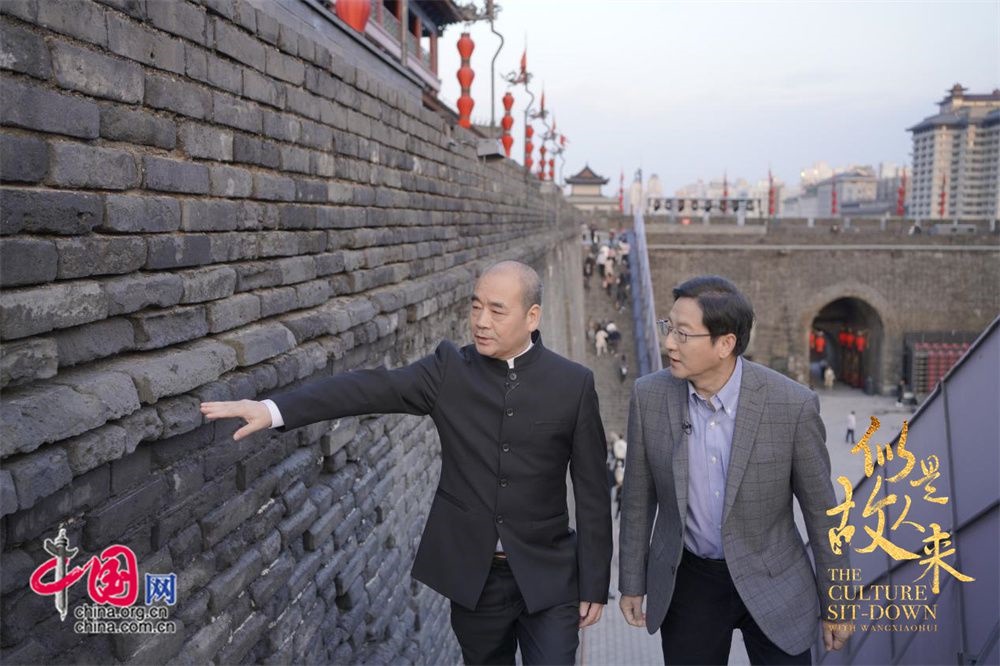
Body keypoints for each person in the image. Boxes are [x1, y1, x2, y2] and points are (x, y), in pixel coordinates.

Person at [200, 261, 612, 665]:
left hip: (549, 575)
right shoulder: (451, 371)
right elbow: (370, 388)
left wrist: (595, 582)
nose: (481, 321)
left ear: (532, 316)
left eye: (496, 310)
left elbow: (592, 490)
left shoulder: (573, 384)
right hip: (474, 578)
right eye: (475, 306)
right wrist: (273, 409)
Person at [618, 275, 851, 664]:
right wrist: (631, 582)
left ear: (725, 344)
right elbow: (638, 498)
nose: (669, 343)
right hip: (689, 580)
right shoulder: (649, 396)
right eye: (668, 327)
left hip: (775, 578)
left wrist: (838, 602)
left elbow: (824, 514)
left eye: (683, 334)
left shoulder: (791, 405)